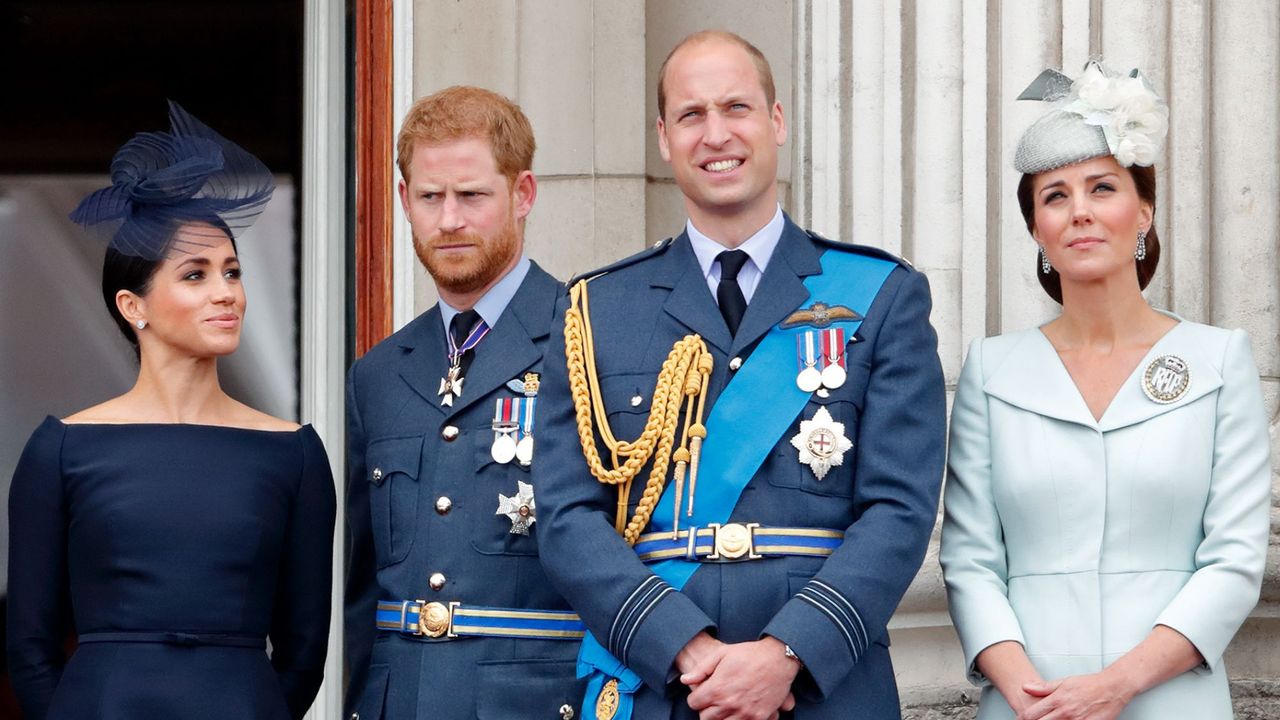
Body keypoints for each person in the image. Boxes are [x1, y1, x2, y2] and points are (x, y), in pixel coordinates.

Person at [534, 31, 946, 720]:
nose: (715, 133)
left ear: (777, 122)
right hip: (665, 685)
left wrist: (787, 655)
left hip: (821, 689)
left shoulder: (882, 294)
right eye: (691, 115)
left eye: (737, 107)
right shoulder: (595, 311)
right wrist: (685, 650)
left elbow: (899, 511)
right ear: (664, 138)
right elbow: (568, 517)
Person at [940, 62, 1271, 720]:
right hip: (1026, 703)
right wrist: (1030, 695)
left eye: (1101, 187)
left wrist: (1116, 684)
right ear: (1036, 228)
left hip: (1173, 698)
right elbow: (970, 559)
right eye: (1055, 196)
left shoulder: (1217, 360)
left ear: (1143, 209)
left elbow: (1234, 559)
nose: (1080, 212)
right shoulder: (992, 369)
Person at [6, 102, 336, 720]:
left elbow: (304, 650)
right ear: (135, 307)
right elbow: (28, 645)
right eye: (195, 274)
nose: (227, 293)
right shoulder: (61, 449)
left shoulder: (294, 452)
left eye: (232, 272)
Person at [344, 86, 584, 720]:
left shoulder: (588, 341)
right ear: (404, 201)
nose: (449, 219)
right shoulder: (378, 374)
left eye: (472, 195)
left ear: (523, 193)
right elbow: (359, 590)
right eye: (430, 197)